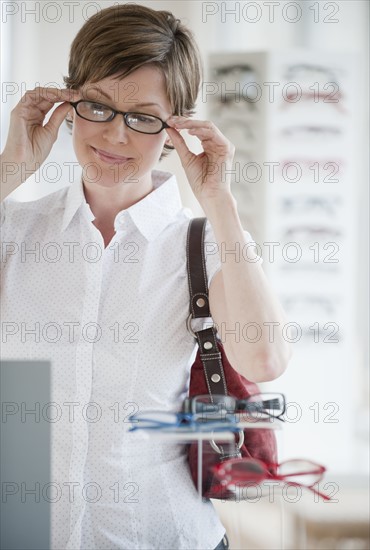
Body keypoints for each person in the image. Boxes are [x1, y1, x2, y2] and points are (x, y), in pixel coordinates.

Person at [0, 4, 291, 549]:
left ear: (177, 125)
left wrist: (218, 201)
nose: (115, 135)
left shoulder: (203, 243)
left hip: (164, 536)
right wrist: (10, 168)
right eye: (97, 106)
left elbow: (264, 360)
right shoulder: (15, 229)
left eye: (143, 116)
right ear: (68, 104)